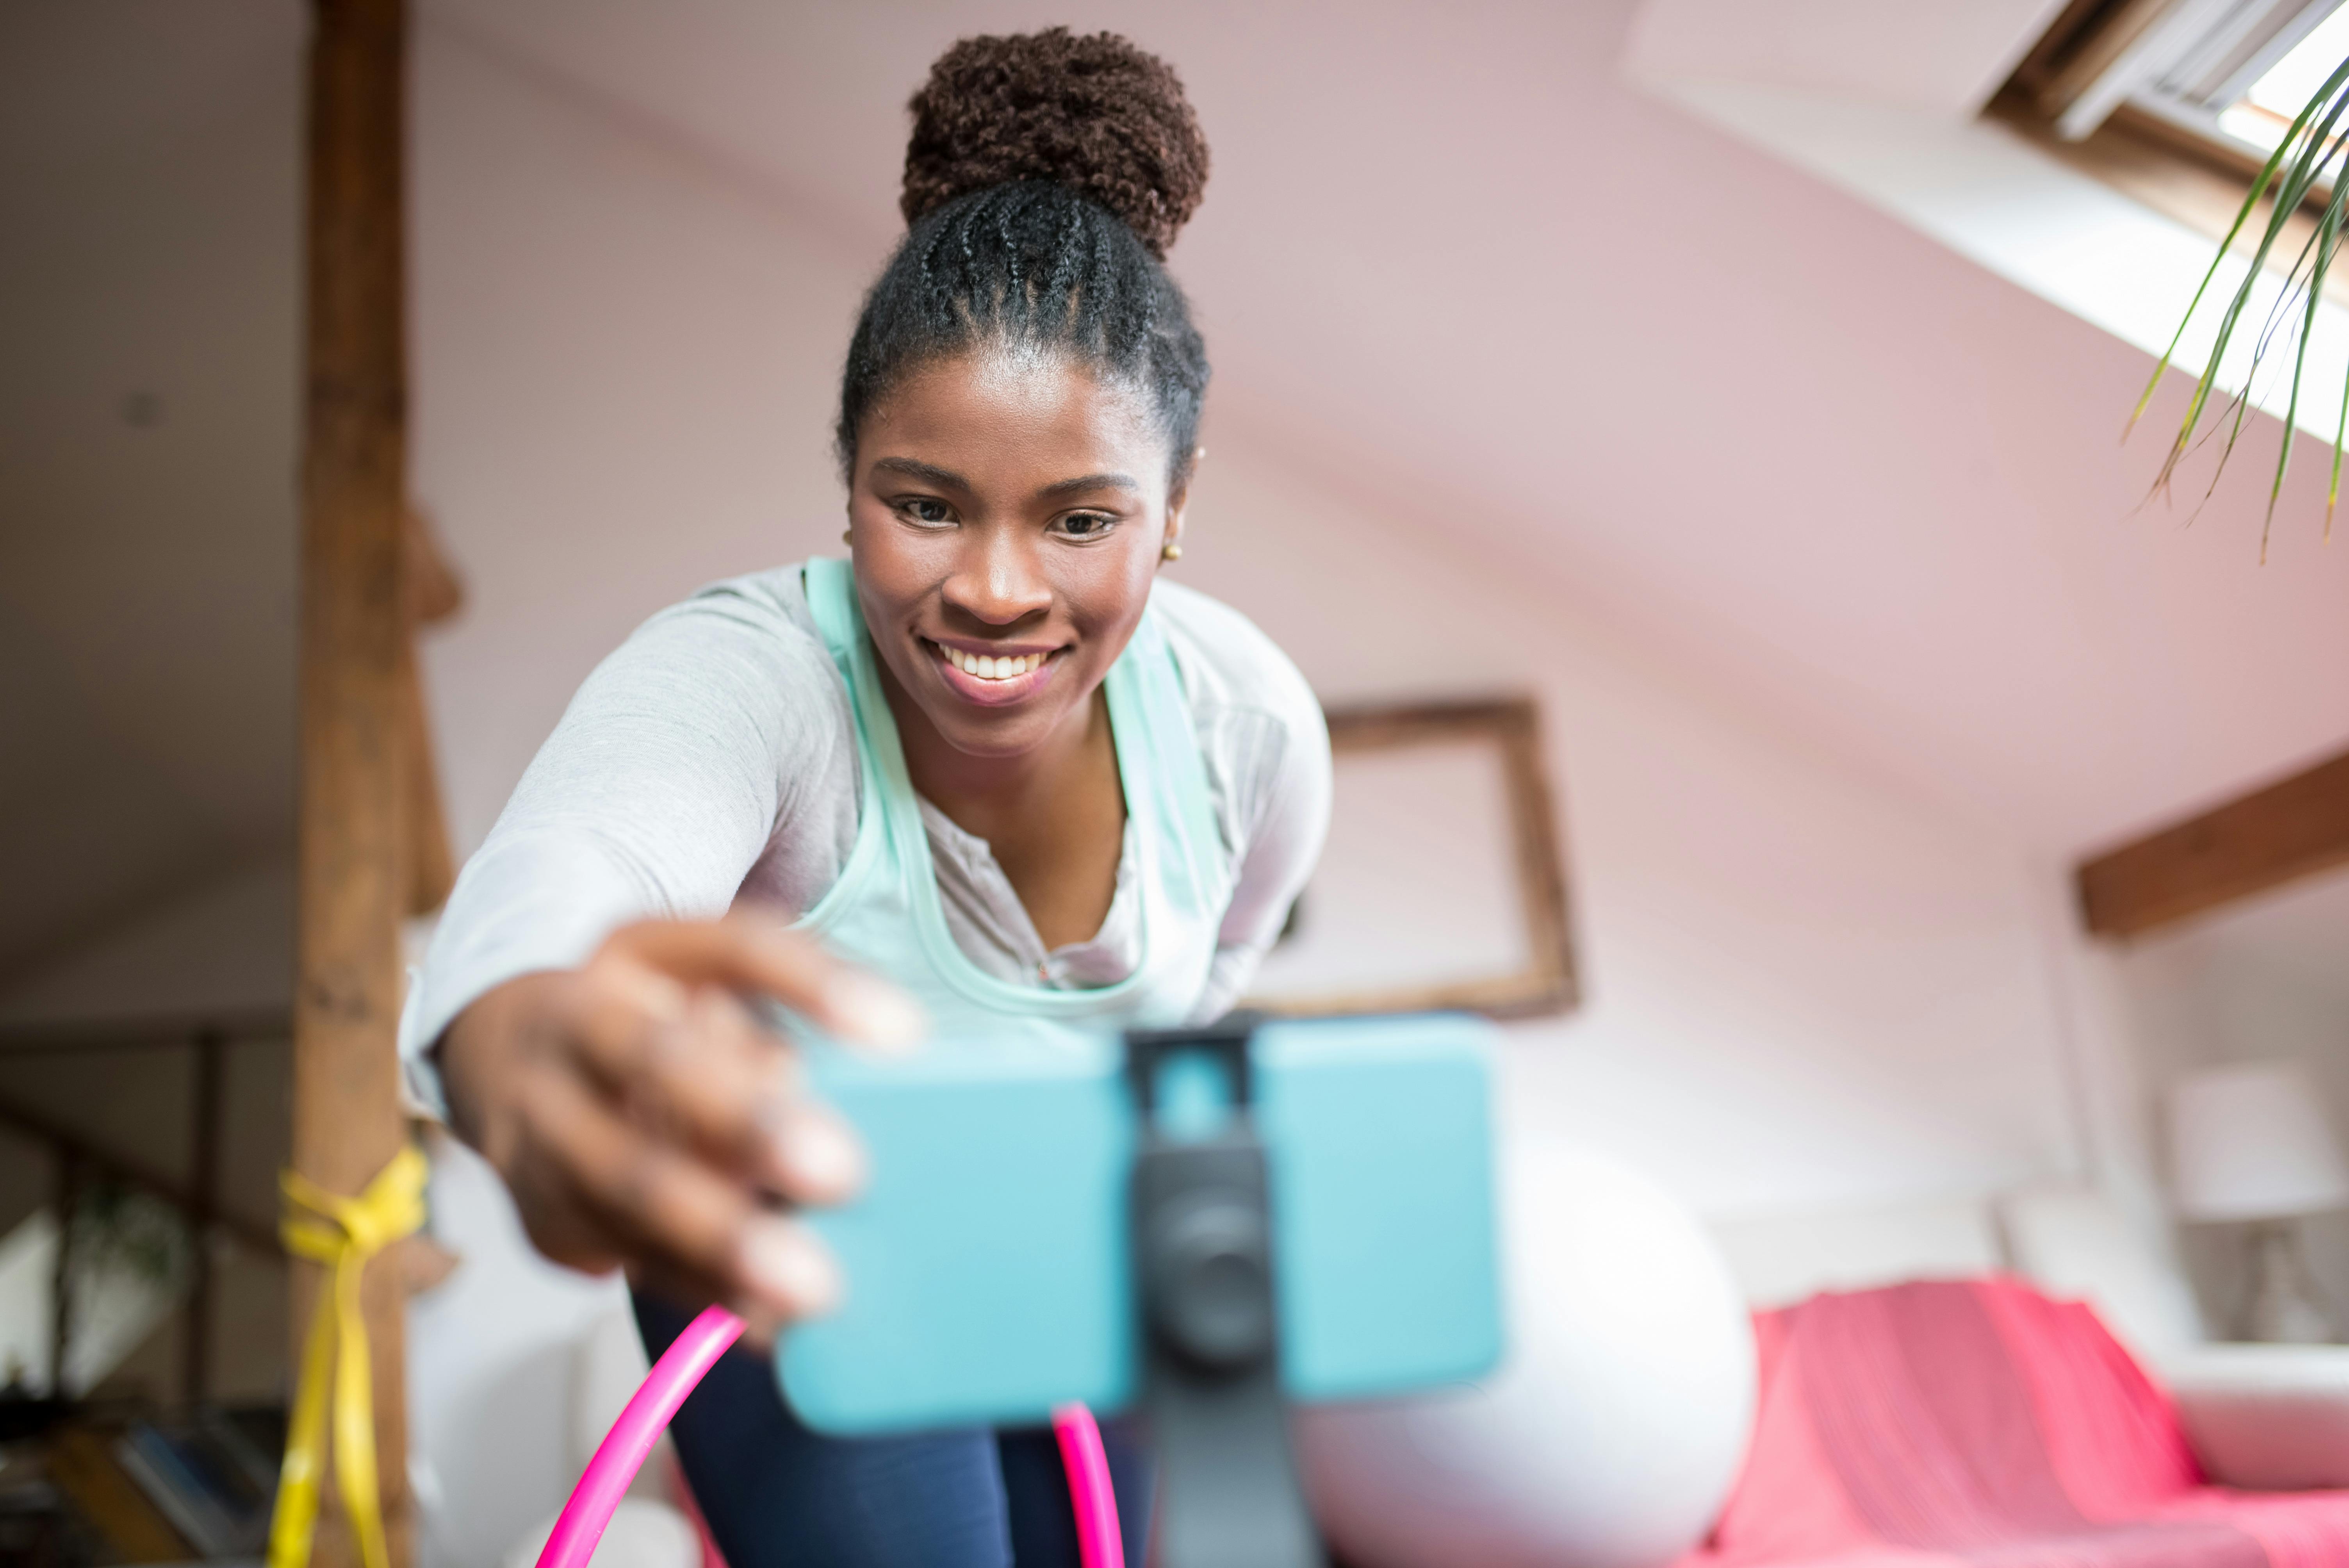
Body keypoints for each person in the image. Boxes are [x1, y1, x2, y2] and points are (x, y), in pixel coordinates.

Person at [398, 27, 1331, 1568]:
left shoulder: (1249, 732)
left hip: (1068, 1240)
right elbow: (557, 891)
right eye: (924, 503)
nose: (994, 590)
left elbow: (1200, 992)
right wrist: (530, 1036)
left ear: (1174, 509)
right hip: (789, 1239)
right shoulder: (750, 681)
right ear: (849, 485)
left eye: (1082, 516)